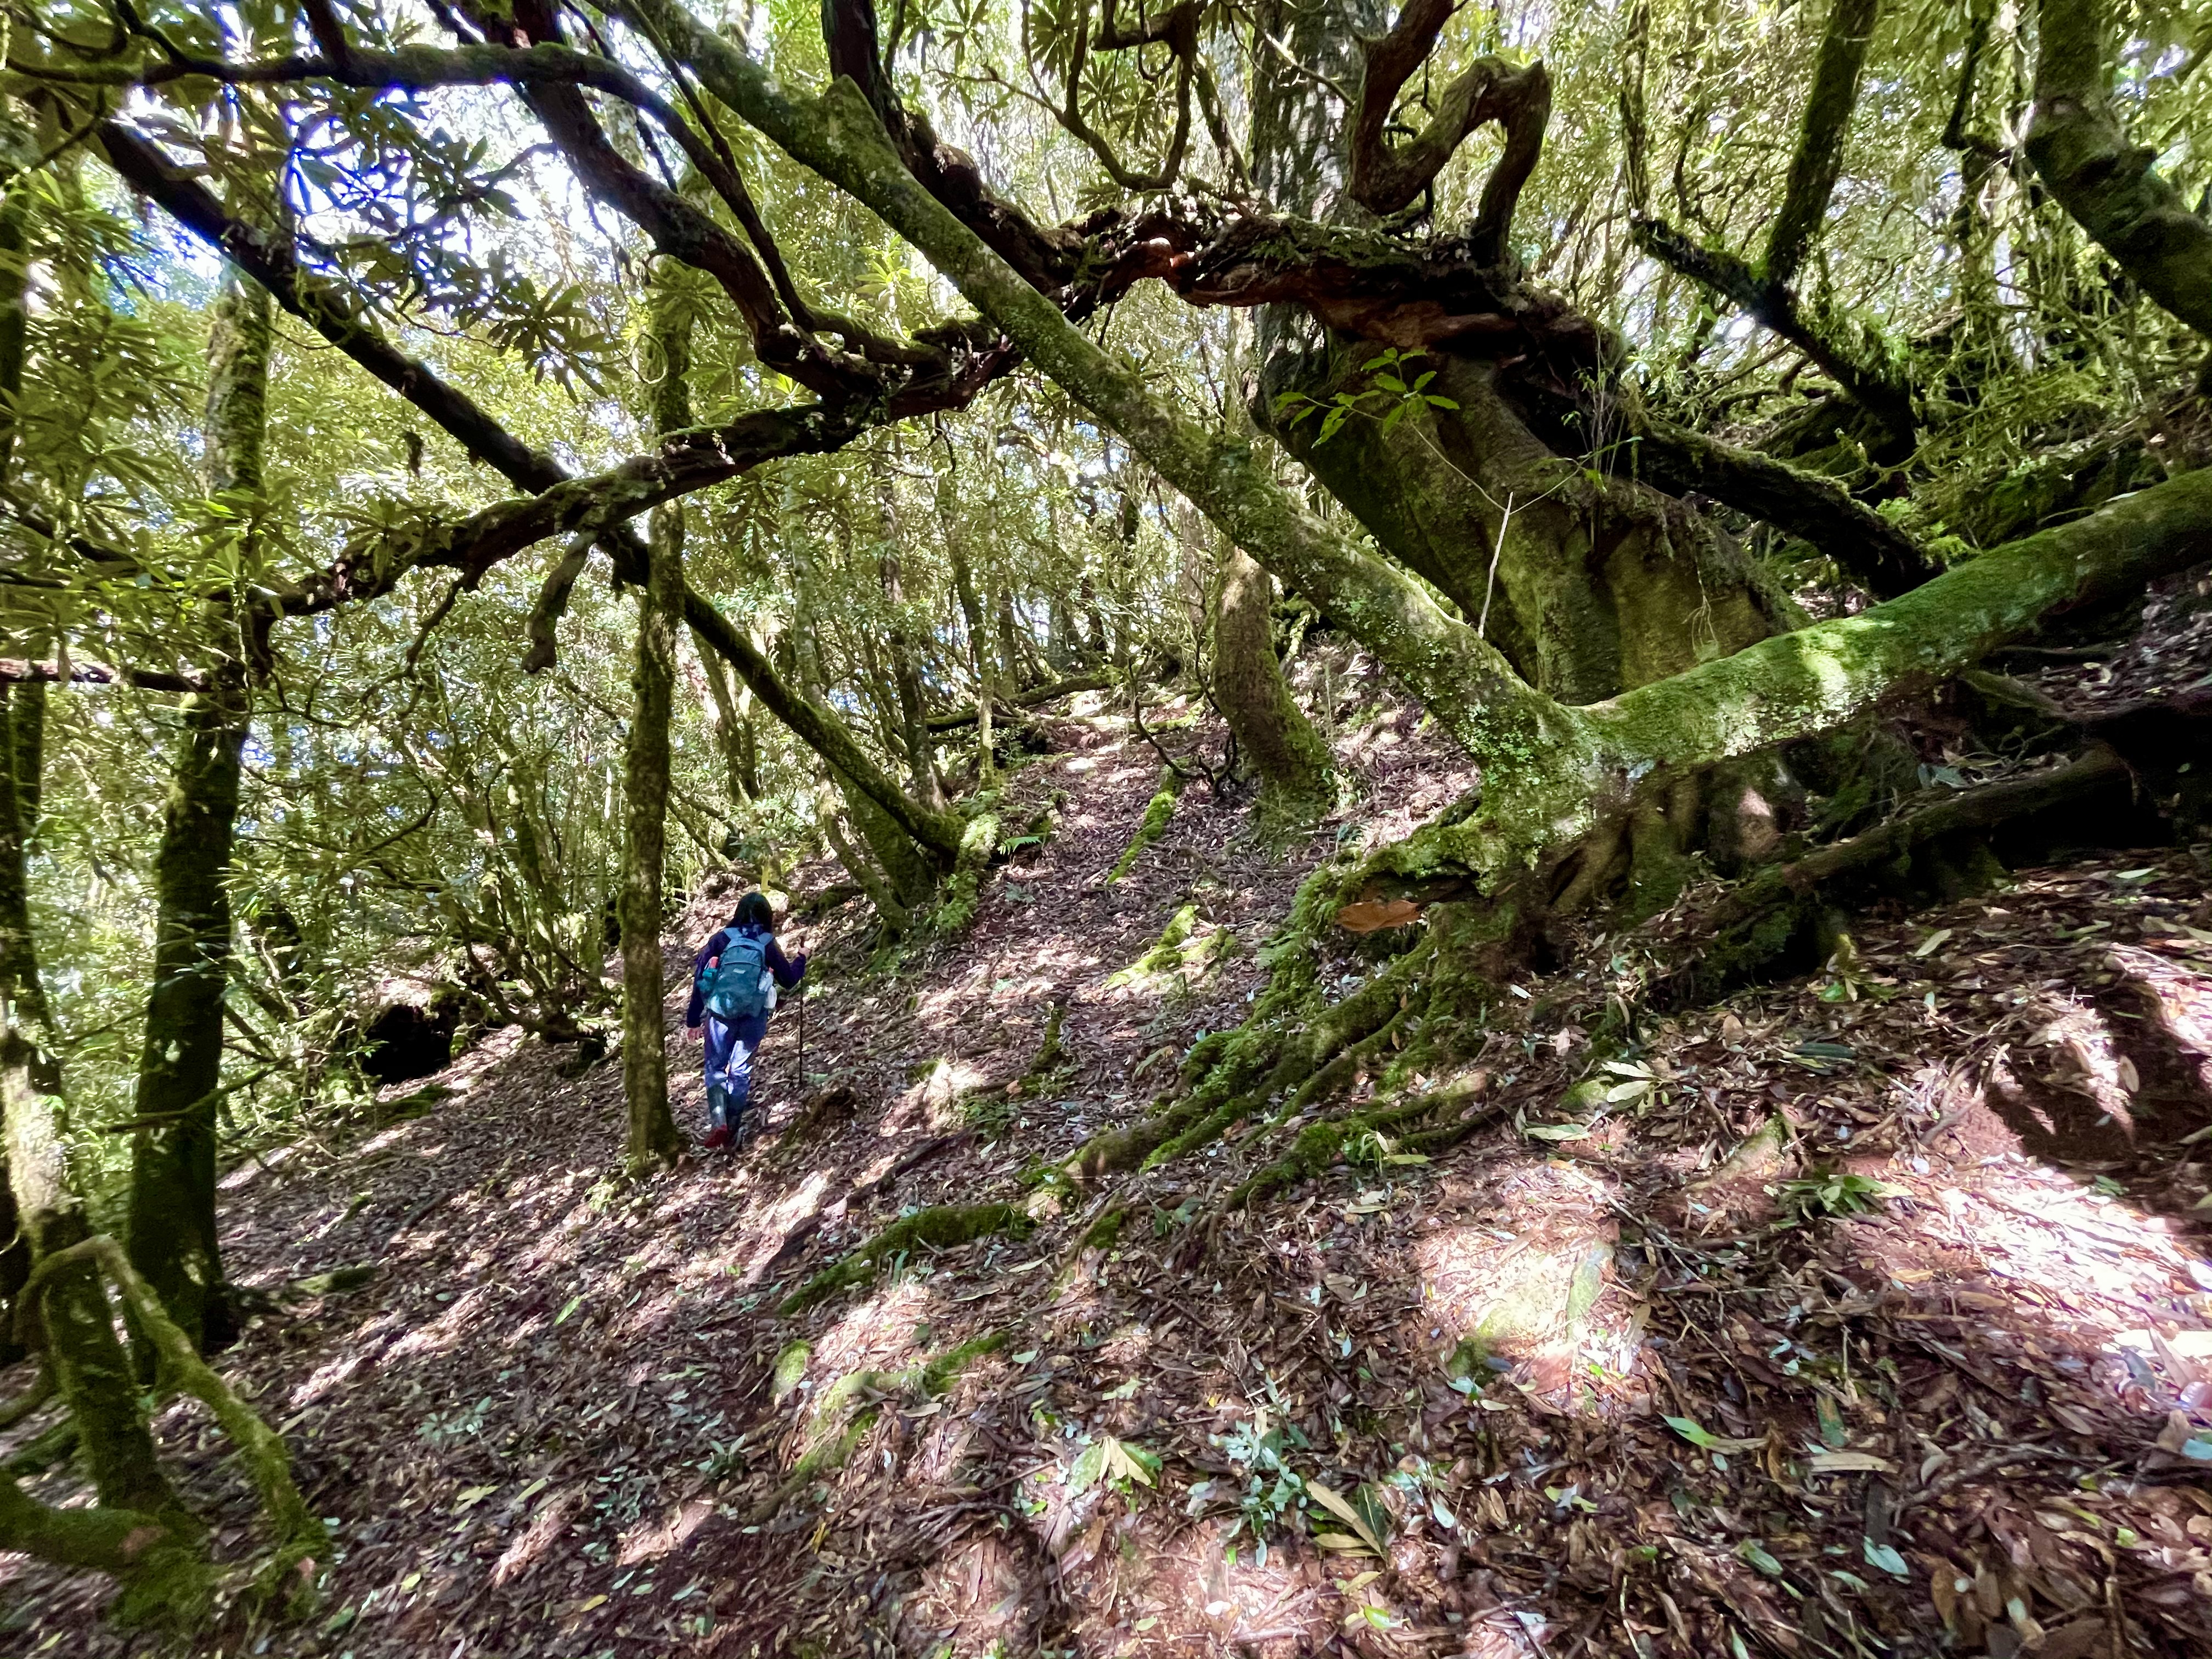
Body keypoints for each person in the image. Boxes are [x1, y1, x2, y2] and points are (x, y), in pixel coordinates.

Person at [685, 891, 807, 1149]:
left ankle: (718, 1120)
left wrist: (693, 1019)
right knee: (740, 1072)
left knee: (715, 1068)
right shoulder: (766, 942)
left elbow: (701, 979)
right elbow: (788, 980)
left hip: (720, 1015)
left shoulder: (721, 939)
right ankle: (731, 1131)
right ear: (767, 917)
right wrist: (802, 958)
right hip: (753, 1015)